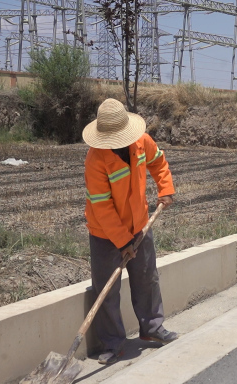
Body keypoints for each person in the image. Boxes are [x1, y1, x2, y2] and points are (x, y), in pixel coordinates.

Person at [82, 98, 178, 365]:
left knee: (147, 277)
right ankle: (112, 343)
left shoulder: (141, 142)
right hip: (105, 233)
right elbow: (102, 208)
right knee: (107, 287)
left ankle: (152, 329)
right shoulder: (96, 159)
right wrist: (123, 242)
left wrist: (166, 188)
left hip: (139, 224)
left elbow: (159, 162)